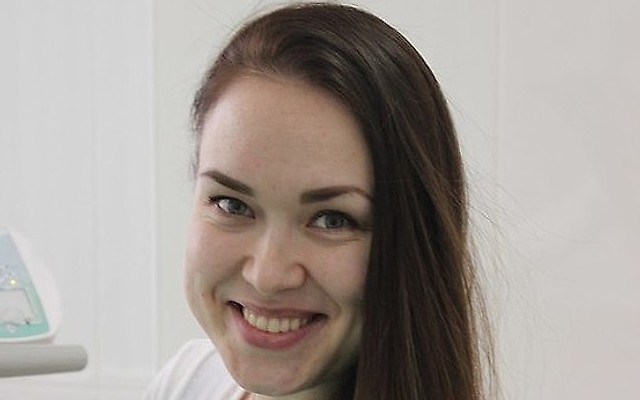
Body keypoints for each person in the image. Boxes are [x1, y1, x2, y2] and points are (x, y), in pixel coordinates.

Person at [146, 2, 495, 400]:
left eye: (332, 219)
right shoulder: (188, 381)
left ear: (415, 243)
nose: (267, 276)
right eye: (232, 205)